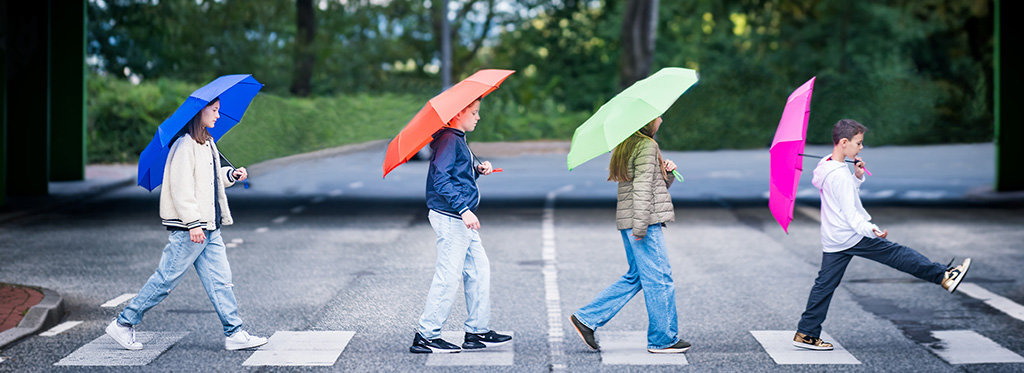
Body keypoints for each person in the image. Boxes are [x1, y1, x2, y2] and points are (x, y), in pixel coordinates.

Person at [793, 119, 971, 350]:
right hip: (851, 235)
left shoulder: (827, 166)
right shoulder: (838, 174)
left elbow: (843, 198)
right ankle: (944, 276)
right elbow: (850, 212)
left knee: (824, 285)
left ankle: (806, 333)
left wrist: (855, 176)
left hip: (834, 237)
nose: (861, 147)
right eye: (858, 143)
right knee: (898, 254)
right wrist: (872, 230)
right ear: (844, 142)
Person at [105, 98, 268, 351]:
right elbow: (181, 188)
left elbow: (210, 180)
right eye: (214, 111)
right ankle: (123, 323)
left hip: (210, 227)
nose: (218, 115)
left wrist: (231, 175)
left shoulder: (208, 143)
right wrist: (193, 224)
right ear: (199, 113)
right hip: (191, 229)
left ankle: (234, 332)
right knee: (165, 280)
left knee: (221, 281)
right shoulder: (184, 145)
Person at [569, 117, 692, 354]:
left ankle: (586, 319)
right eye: (657, 116)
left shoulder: (627, 144)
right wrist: (642, 226)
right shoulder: (646, 145)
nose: (662, 119)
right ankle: (663, 338)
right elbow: (643, 189)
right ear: (646, 121)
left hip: (630, 219)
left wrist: (667, 173)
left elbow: (652, 186)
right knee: (660, 278)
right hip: (642, 220)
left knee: (636, 276)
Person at [410, 98, 513, 354]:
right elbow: (441, 180)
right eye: (474, 112)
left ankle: (476, 331)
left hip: (458, 218)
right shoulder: (448, 140)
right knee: (448, 276)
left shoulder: (457, 138)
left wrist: (478, 169)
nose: (478, 117)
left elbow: (456, 173)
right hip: (452, 217)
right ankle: (426, 335)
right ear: (457, 115)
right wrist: (464, 210)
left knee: (479, 270)